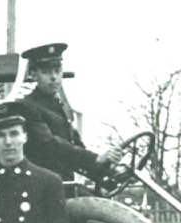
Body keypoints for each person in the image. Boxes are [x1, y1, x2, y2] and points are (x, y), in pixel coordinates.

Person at [18, 42, 123, 182]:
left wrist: (105, 168)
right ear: (33, 75)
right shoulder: (27, 107)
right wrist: (95, 159)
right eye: (46, 72)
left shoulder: (60, 107)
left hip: (62, 184)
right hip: (40, 186)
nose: (54, 77)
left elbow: (75, 146)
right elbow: (50, 145)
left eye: (57, 71)